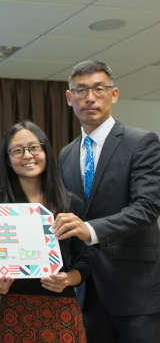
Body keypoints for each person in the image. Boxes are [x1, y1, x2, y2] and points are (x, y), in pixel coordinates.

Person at [56, 60, 160, 343]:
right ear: (69, 98)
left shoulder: (141, 142)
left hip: (135, 292)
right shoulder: (66, 154)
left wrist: (89, 230)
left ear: (113, 94)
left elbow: (147, 208)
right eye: (81, 90)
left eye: (98, 89)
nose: (90, 98)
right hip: (87, 293)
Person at [0, 121, 90, 343]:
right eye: (17, 150)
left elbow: (85, 260)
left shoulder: (72, 203)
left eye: (34, 147)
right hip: (14, 311)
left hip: (62, 310)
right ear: (8, 159)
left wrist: (68, 279)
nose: (27, 155)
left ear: (46, 151)